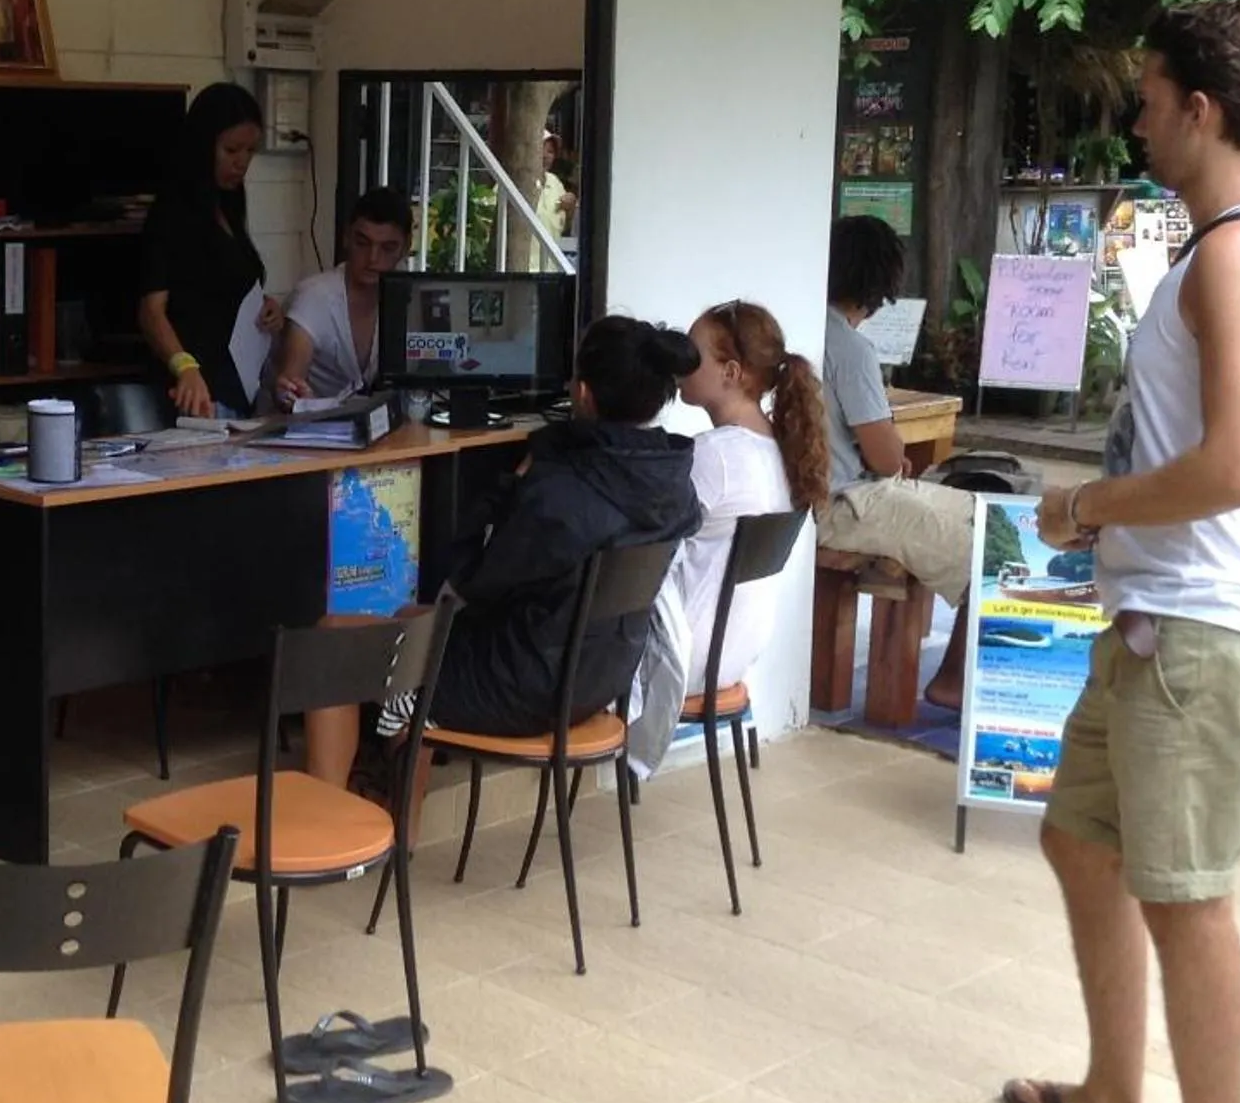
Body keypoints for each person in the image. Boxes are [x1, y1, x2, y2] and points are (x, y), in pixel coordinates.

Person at [1007, 0, 1240, 1103]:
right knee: (1081, 841)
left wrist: (1087, 505)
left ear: (1201, 110)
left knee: (1186, 894)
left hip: (1201, 626)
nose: (1133, 121)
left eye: (1146, 100)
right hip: (1159, 619)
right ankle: (1113, 1097)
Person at [304, 317, 703, 793]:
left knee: (333, 640)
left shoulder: (560, 494)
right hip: (598, 680)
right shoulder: (672, 485)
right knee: (411, 619)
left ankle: (328, 813)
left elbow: (474, 582)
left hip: (520, 685)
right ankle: (399, 824)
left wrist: (511, 486)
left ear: (582, 393)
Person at [816, 214, 977, 708]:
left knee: (974, 514)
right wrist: (893, 455)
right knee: (984, 542)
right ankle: (954, 677)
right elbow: (887, 458)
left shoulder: (797, 324)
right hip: (843, 504)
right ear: (878, 287)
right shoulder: (849, 348)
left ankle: (956, 673)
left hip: (824, 495)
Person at [669, 299, 831, 698]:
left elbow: (642, 543)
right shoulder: (784, 450)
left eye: (690, 354)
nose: (678, 363)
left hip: (683, 655)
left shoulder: (714, 455)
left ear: (730, 372)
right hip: (735, 653)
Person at [139, 83, 282, 418]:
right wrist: (184, 366)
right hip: (196, 392)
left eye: (250, 151)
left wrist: (266, 306)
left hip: (238, 386)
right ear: (203, 146)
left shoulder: (228, 205)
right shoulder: (172, 212)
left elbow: (229, 286)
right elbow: (151, 310)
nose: (241, 163)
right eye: (231, 150)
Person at [271, 188, 411, 405]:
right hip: (311, 423)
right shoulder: (314, 296)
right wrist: (294, 396)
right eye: (362, 243)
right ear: (346, 237)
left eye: (387, 248)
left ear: (406, 247)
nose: (373, 258)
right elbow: (290, 381)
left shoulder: (410, 297)